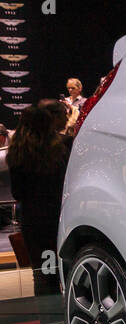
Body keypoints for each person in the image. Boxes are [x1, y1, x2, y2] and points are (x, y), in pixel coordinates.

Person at [7, 100, 72, 299]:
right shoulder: (64, 146)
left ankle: (47, 321)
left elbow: (17, 192)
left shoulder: (17, 153)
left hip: (34, 221)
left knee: (44, 274)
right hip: (62, 215)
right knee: (69, 269)